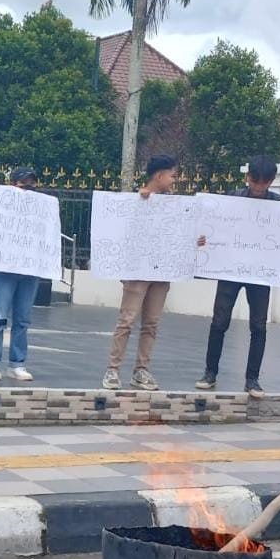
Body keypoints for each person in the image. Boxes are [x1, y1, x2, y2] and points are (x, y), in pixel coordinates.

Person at [195, 156, 280, 399]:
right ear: (248, 178)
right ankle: (210, 372)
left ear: (271, 181)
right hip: (230, 269)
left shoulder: (279, 204)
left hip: (260, 274)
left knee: (258, 325)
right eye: (255, 181)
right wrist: (202, 238)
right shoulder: (231, 199)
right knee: (219, 321)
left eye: (264, 183)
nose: (258, 187)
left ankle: (252, 379)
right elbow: (208, 226)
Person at [102, 154, 179, 391]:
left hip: (161, 271)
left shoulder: (175, 205)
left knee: (152, 323)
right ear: (159, 175)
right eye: (172, 175)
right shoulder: (135, 201)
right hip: (137, 270)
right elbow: (121, 230)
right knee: (127, 319)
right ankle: (112, 369)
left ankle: (141, 370)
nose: (174, 181)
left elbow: (179, 235)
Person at [0, 167, 41, 382]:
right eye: (24, 184)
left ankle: (17, 363)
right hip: (4, 268)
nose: (29, 188)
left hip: (30, 269)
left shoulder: (40, 210)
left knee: (23, 319)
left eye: (32, 184)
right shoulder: (0, 207)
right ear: (13, 185)